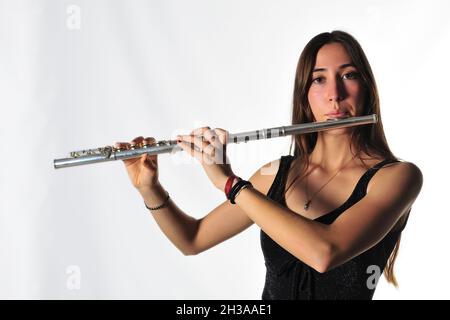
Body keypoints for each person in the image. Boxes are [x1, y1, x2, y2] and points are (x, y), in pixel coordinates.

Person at [115, 30, 423, 300]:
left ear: (367, 89)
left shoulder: (398, 177)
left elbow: (324, 252)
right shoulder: (274, 174)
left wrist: (230, 183)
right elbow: (192, 240)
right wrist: (149, 188)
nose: (334, 95)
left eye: (348, 75)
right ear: (305, 97)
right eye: (319, 79)